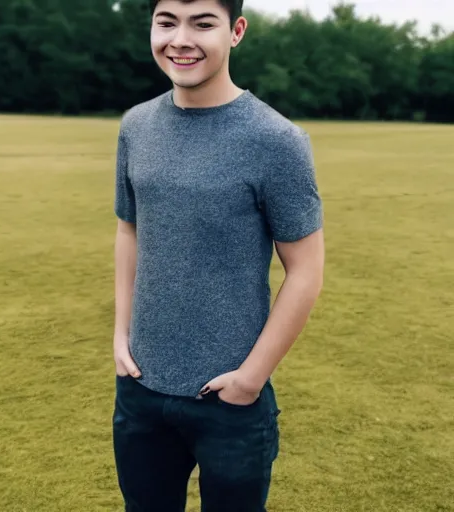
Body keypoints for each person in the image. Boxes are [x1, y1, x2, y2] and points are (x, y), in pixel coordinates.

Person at [112, 0, 325, 510]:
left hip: (230, 400)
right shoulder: (136, 126)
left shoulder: (277, 141)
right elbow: (129, 231)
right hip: (140, 391)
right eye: (166, 22)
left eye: (202, 23)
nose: (180, 39)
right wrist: (121, 336)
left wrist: (249, 380)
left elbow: (306, 270)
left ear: (236, 32)